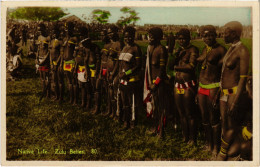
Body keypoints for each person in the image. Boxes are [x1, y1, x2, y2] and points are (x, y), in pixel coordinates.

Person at [216, 21, 250, 161]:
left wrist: (235, 101)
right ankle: (232, 148)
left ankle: (222, 154)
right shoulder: (231, 48)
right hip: (224, 92)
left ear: (235, 33)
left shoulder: (242, 50)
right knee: (225, 123)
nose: (223, 35)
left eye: (226, 33)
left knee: (230, 124)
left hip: (233, 93)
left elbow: (243, 78)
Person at [197, 25, 226, 155]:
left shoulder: (221, 50)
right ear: (202, 37)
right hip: (202, 88)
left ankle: (216, 147)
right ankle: (208, 144)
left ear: (215, 35)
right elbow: (200, 65)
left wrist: (219, 91)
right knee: (204, 118)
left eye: (210, 35)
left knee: (214, 119)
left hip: (214, 88)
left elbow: (224, 72)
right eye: (205, 35)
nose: (208, 38)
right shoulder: (205, 49)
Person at [173, 28, 199, 145]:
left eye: (183, 38)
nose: (181, 41)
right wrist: (175, 56)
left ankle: (193, 139)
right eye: (179, 38)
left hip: (188, 85)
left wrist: (176, 68)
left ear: (189, 38)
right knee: (181, 113)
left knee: (190, 113)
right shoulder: (178, 50)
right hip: (178, 85)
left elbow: (191, 67)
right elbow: (170, 65)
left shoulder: (193, 49)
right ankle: (185, 137)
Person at [143, 27, 168, 138]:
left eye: (152, 36)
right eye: (149, 35)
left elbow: (162, 71)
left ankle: (161, 131)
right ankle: (154, 128)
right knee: (153, 107)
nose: (149, 38)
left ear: (158, 38)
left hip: (159, 84)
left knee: (160, 107)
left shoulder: (161, 50)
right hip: (151, 83)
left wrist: (156, 83)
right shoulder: (150, 48)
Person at [118, 26, 142, 129]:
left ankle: (133, 122)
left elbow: (138, 65)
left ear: (133, 36)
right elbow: (121, 63)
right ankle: (125, 121)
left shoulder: (136, 48)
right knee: (124, 102)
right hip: (123, 79)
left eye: (130, 37)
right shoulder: (124, 48)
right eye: (126, 37)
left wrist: (127, 73)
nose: (128, 39)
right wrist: (120, 74)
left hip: (132, 79)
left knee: (132, 102)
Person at [101, 25, 124, 117]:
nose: (109, 34)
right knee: (109, 92)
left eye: (111, 32)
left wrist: (113, 73)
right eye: (108, 33)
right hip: (109, 71)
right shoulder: (111, 44)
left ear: (116, 32)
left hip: (115, 73)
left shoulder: (119, 44)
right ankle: (111, 111)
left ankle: (117, 113)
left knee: (115, 94)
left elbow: (119, 61)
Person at [92, 29, 112, 114]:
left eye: (103, 35)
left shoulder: (112, 46)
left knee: (107, 91)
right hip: (101, 69)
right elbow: (101, 59)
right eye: (101, 35)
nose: (101, 37)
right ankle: (97, 107)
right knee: (97, 89)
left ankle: (109, 109)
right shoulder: (104, 45)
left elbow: (110, 61)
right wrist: (99, 69)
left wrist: (108, 71)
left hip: (107, 70)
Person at [59, 21, 78, 104]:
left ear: (72, 29)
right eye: (66, 28)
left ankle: (75, 99)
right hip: (65, 62)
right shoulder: (64, 39)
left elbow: (77, 53)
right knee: (69, 81)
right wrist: (62, 62)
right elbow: (62, 51)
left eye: (69, 28)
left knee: (74, 81)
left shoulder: (75, 39)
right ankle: (71, 98)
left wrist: (75, 64)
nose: (67, 30)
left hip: (72, 62)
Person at [36, 23, 51, 98]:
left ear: (44, 29)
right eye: (39, 30)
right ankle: (43, 91)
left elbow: (49, 51)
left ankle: (48, 93)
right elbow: (38, 49)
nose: (40, 32)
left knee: (46, 77)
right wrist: (37, 58)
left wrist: (44, 60)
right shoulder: (39, 37)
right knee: (42, 77)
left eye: (41, 30)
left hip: (45, 60)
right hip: (40, 59)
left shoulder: (48, 38)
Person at [49, 22, 63, 101]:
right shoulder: (51, 41)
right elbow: (50, 53)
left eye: (56, 33)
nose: (54, 34)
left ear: (58, 33)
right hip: (52, 63)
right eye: (53, 33)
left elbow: (61, 54)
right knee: (54, 80)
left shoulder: (60, 42)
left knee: (60, 80)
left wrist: (58, 63)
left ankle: (61, 97)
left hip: (58, 63)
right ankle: (56, 96)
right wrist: (51, 63)